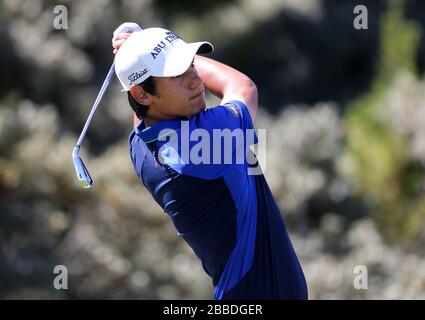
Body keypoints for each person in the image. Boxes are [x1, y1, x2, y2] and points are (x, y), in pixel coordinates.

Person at [112, 23, 308, 300]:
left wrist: (135, 55)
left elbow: (141, 109)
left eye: (191, 65)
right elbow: (242, 87)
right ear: (142, 93)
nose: (196, 80)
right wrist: (139, 50)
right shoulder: (205, 140)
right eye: (177, 74)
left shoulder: (140, 144)